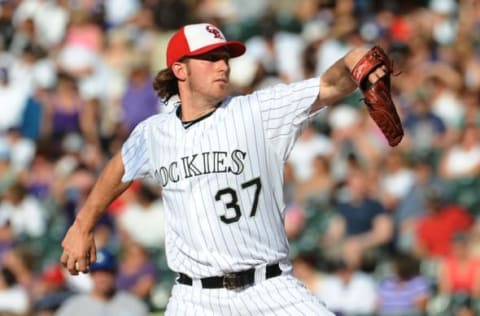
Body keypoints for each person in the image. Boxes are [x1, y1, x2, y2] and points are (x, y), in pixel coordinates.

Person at [59, 22, 396, 315]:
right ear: (180, 69)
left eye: (225, 58)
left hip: (269, 288)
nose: (223, 66)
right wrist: (83, 225)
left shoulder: (257, 111)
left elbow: (328, 85)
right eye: (210, 58)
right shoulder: (154, 133)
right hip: (195, 297)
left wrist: (353, 59)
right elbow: (119, 167)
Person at [55, 247, 148, 316]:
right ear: (91, 275)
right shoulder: (72, 307)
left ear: (115, 273)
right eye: (98, 273)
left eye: (107, 272)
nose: (102, 278)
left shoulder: (134, 305)